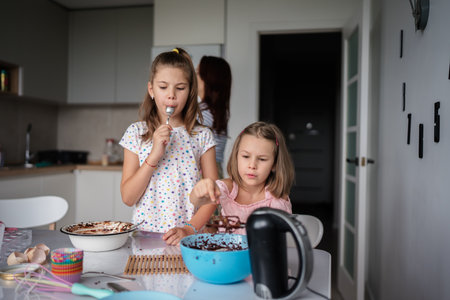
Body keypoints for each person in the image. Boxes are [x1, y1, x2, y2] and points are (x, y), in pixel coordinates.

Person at [119, 47, 218, 245]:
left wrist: (189, 229)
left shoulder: (202, 136)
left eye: (180, 88)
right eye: (163, 87)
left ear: (190, 91)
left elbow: (213, 196)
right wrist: (154, 156)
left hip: (191, 237)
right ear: (151, 90)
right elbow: (128, 198)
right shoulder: (136, 133)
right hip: (145, 237)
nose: (171, 95)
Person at [189, 121, 294, 234]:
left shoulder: (277, 199)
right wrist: (199, 190)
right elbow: (196, 201)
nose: (252, 165)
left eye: (262, 159)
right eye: (246, 156)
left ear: (274, 164)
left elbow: (281, 238)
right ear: (236, 157)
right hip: (227, 251)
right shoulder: (228, 188)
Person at [196, 56, 232, 178]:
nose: (193, 78)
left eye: (197, 73)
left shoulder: (200, 113)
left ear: (207, 79)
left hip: (203, 171)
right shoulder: (219, 112)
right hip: (216, 171)